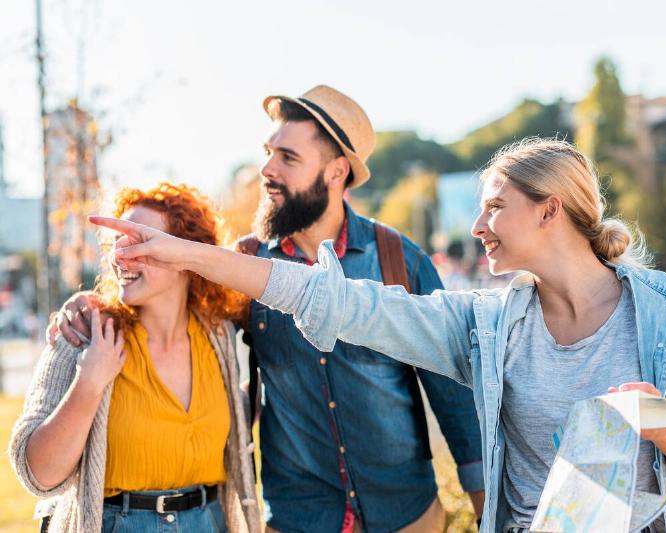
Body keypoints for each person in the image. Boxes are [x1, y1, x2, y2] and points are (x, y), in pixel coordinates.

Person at [91, 137, 666, 533]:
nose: (478, 225)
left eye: (496, 205)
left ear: (551, 209)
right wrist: (181, 252)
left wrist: (663, 426)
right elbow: (336, 302)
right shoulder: (484, 326)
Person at [53, 85, 485, 533]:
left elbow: (455, 400)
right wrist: (90, 305)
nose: (267, 170)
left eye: (288, 158)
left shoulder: (400, 259)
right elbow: (170, 298)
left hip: (405, 516)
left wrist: (485, 509)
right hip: (298, 519)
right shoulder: (243, 265)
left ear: (336, 172)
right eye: (268, 152)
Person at [10, 183, 260, 533]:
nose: (120, 257)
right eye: (116, 245)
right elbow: (38, 475)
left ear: (185, 255)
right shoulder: (84, 332)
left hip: (209, 521)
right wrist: (90, 381)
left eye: (139, 243)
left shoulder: (217, 335)